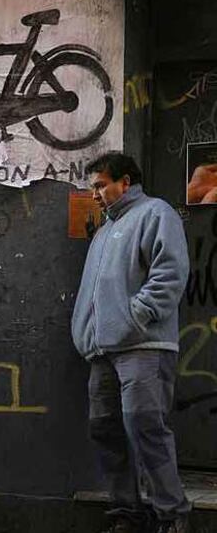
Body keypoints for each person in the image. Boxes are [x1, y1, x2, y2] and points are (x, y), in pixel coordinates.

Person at [71, 153, 191, 533]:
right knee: (104, 429)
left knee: (144, 425)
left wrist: (133, 317)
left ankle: (171, 516)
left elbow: (170, 275)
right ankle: (127, 513)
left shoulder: (156, 213)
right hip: (101, 351)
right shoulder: (104, 231)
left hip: (144, 347)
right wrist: (87, 333)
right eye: (92, 187)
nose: (96, 194)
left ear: (125, 182)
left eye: (101, 185)